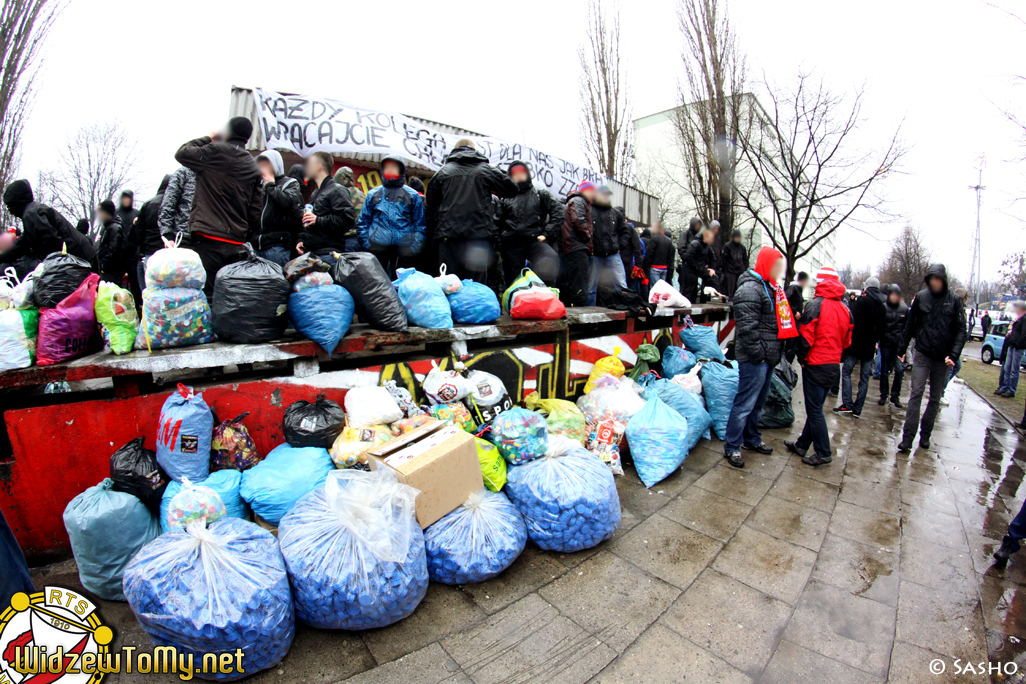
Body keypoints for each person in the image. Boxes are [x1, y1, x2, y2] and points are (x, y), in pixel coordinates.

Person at [723, 246, 798, 468]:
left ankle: (751, 439)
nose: (779, 272)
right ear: (766, 264)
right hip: (757, 359)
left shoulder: (770, 288)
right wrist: (761, 356)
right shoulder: (749, 290)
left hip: (768, 358)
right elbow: (747, 329)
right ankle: (732, 447)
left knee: (757, 404)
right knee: (744, 404)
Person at [174, 117, 263, 295]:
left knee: (205, 296)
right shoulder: (253, 166)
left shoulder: (213, 152)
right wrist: (246, 233)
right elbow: (255, 209)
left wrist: (208, 137)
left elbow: (182, 153)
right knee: (228, 298)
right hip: (236, 242)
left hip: (208, 237)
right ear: (248, 137)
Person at [785, 266, 853, 466]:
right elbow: (847, 340)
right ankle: (802, 444)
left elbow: (806, 336)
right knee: (816, 407)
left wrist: (803, 358)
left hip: (816, 364)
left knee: (814, 410)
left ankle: (823, 452)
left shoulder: (816, 305)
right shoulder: (844, 308)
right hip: (832, 365)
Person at [427, 139, 518, 284]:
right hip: (478, 238)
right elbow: (512, 188)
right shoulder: (486, 170)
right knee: (476, 284)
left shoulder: (444, 172)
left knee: (450, 284)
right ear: (474, 150)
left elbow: (431, 202)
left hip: (450, 237)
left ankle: (453, 307)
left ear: (455, 150)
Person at [897, 264, 967, 452]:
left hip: (942, 358)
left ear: (943, 280)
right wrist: (901, 348)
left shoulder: (954, 300)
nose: (935, 282)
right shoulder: (921, 297)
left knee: (935, 397)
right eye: (932, 279)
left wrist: (954, 354)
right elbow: (910, 324)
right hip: (922, 353)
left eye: (938, 279)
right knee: (916, 393)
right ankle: (907, 438)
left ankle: (925, 435)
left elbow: (961, 330)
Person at [356, 155, 425, 279]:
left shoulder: (412, 196)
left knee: (401, 288)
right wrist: (368, 245)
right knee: (377, 286)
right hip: (377, 249)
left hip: (404, 252)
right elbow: (363, 222)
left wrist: (413, 249)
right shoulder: (373, 194)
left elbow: (420, 225)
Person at [496, 160, 563, 287]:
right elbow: (496, 221)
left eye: (522, 172)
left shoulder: (540, 194)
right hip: (512, 244)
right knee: (514, 281)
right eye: (515, 173)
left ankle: (544, 295)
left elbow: (558, 212)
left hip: (535, 242)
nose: (519, 175)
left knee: (549, 258)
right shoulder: (505, 198)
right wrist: (500, 242)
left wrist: (547, 234)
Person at [2, 179, 96, 265]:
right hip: (84, 255)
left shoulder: (31, 214)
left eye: (9, 205)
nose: (9, 211)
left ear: (16, 202)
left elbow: (50, 242)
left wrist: (46, 264)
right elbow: (23, 244)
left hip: (79, 259)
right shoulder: (34, 210)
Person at [835, 277, 886, 417]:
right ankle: (858, 409)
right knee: (864, 378)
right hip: (870, 348)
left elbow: (853, 321)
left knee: (846, 372)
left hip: (856, 345)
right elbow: (882, 328)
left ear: (867, 287)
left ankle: (847, 404)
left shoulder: (862, 301)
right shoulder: (882, 306)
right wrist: (875, 340)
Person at [299, 151, 355, 267]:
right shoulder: (316, 193)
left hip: (328, 255)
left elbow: (347, 219)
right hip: (312, 254)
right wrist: (301, 240)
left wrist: (318, 220)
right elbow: (309, 222)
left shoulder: (337, 190)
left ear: (319, 166)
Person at [254, 150, 303, 267]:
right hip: (257, 244)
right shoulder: (259, 185)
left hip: (276, 246)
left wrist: (270, 184)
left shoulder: (290, 183)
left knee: (274, 283)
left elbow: (287, 203)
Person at [588, 185, 630, 304]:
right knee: (591, 287)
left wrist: (618, 246)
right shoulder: (589, 212)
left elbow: (624, 232)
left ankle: (626, 309)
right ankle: (589, 313)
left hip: (613, 254)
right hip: (595, 254)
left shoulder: (616, 214)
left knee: (622, 285)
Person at [132, 174, 171, 289]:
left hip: (150, 250)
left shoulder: (148, 204)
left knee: (150, 289)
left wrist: (142, 250)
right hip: (168, 251)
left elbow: (139, 230)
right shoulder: (175, 205)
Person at [560, 180, 595, 307]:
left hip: (574, 246)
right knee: (579, 283)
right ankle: (580, 313)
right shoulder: (579, 201)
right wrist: (587, 237)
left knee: (574, 282)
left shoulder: (575, 201)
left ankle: (572, 308)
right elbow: (578, 220)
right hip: (577, 246)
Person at [878, 284, 908, 407]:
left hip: (898, 345)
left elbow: (907, 328)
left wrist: (904, 346)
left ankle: (895, 396)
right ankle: (884, 395)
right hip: (886, 344)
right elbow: (879, 326)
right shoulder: (883, 308)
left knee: (900, 370)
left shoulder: (904, 309)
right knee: (884, 371)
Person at [158, 166, 196, 244]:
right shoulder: (183, 173)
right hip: (182, 237)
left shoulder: (212, 175)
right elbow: (168, 204)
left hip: (207, 239)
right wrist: (167, 235)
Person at [997, 301, 1026, 398]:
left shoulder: (1024, 319)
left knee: (1014, 369)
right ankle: (1004, 387)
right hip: (1012, 345)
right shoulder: (1018, 319)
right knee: (1007, 368)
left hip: (1017, 347)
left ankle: (1011, 390)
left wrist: (1018, 344)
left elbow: (1023, 334)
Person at [681, 225, 716, 302]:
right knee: (690, 289)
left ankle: (705, 300)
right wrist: (697, 266)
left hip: (700, 268)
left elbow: (712, 257)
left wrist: (711, 268)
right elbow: (688, 257)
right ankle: (687, 306)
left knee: (711, 279)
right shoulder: (695, 244)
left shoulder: (707, 246)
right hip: (691, 268)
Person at [95, 200, 127, 284]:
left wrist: (104, 265)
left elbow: (113, 249)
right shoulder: (107, 227)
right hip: (107, 269)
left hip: (111, 270)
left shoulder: (114, 228)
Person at [784, 271, 809, 363]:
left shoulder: (798, 288)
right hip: (792, 322)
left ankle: (788, 365)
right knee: (791, 346)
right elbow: (786, 301)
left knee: (793, 345)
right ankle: (786, 366)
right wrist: (794, 312)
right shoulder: (793, 288)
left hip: (795, 322)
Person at [619, 217, 645, 295]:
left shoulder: (619, 230)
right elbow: (640, 250)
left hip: (626, 263)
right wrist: (638, 265)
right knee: (632, 285)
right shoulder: (635, 235)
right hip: (631, 264)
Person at [720, 228, 748, 299]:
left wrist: (744, 269)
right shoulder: (727, 246)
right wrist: (726, 270)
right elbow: (723, 259)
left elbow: (745, 260)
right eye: (736, 237)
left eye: (739, 237)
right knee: (730, 291)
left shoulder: (742, 248)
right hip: (730, 272)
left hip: (740, 271)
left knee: (739, 290)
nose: (738, 239)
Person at [645, 221, 675, 288]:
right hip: (664, 267)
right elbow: (670, 255)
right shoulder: (668, 241)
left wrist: (647, 265)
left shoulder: (653, 239)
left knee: (655, 287)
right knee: (662, 287)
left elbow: (650, 253)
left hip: (655, 266)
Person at [676, 217, 704, 289]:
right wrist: (687, 258)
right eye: (696, 224)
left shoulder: (698, 235)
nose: (698, 226)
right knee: (686, 287)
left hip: (695, 265)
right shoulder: (686, 233)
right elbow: (681, 248)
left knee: (693, 287)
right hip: (687, 265)